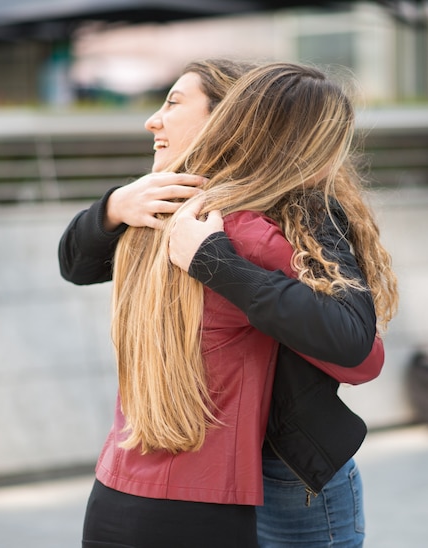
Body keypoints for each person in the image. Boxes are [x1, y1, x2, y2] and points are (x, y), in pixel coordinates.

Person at [59, 60, 397, 547]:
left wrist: (215, 263)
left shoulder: (263, 224)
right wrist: (113, 207)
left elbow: (354, 347)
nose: (152, 119)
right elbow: (75, 262)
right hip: (216, 479)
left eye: (173, 102)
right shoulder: (161, 213)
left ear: (228, 118)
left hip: (273, 469)